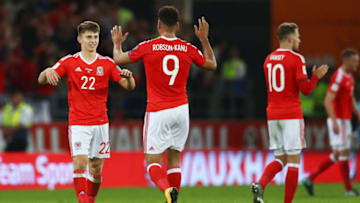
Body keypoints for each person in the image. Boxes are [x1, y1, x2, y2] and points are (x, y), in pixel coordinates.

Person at [111, 6, 216, 203]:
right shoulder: (188, 48)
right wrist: (203, 39)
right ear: (177, 25)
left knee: (152, 161)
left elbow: (118, 58)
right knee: (174, 160)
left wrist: (117, 44)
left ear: (158, 25)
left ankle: (168, 191)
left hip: (158, 110)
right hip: (181, 110)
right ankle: (174, 198)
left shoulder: (148, 46)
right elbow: (211, 64)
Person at [38, 21, 135, 203]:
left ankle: (90, 199)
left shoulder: (106, 63)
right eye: (89, 37)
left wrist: (128, 78)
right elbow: (42, 79)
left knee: (96, 168)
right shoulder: (69, 61)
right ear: (79, 39)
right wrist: (48, 70)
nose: (92, 41)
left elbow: (128, 85)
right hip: (79, 123)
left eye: (95, 37)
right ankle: (82, 200)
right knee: (80, 163)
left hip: (100, 123)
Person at [251, 22, 329, 203]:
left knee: (280, 158)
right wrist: (316, 77)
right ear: (291, 38)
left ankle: (261, 184)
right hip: (291, 114)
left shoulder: (268, 59)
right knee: (293, 161)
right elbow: (306, 89)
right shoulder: (296, 59)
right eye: (299, 36)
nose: (300, 40)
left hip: (272, 114)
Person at [302, 48, 360, 196]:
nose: (357, 64)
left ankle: (309, 179)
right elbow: (328, 100)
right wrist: (334, 121)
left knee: (338, 154)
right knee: (343, 153)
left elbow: (350, 97)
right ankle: (348, 189)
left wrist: (357, 114)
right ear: (346, 61)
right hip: (339, 120)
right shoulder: (339, 77)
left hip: (345, 120)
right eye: (354, 61)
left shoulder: (350, 76)